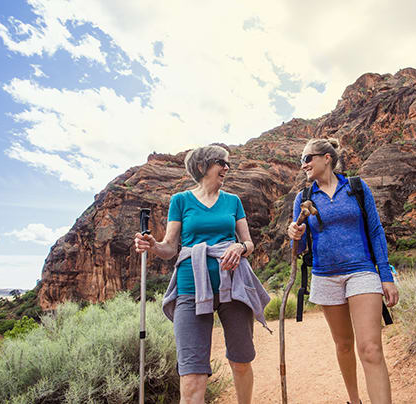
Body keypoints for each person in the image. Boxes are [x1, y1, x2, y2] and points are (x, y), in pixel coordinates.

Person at [134, 145, 270, 404]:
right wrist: (153, 245)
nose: (227, 168)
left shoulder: (233, 201)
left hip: (234, 286)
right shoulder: (181, 200)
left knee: (241, 361)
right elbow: (170, 247)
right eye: (222, 162)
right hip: (190, 288)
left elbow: (249, 244)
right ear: (201, 166)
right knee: (192, 373)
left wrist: (240, 247)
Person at [287, 138, 399, 404]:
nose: (303, 165)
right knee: (344, 345)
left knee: (370, 348)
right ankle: (354, 401)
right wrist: (295, 234)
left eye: (307, 159)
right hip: (325, 275)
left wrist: (386, 276)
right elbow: (300, 248)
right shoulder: (303, 198)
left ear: (326, 157)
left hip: (362, 271)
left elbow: (375, 231)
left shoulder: (357, 188)